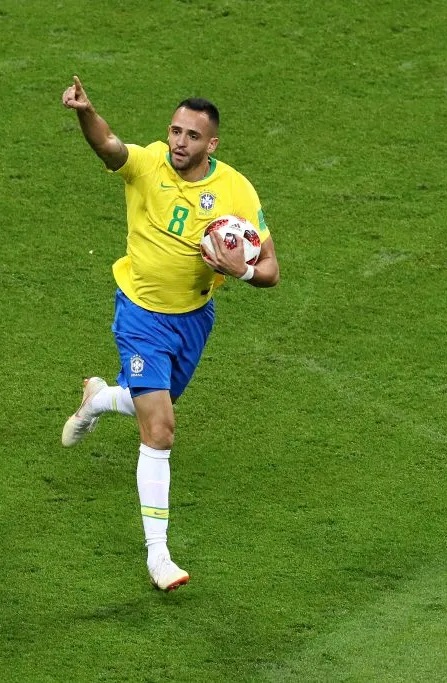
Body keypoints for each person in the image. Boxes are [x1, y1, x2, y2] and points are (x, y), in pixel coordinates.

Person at [59, 75, 281, 591]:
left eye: (191, 136)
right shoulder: (148, 164)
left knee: (151, 404)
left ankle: (96, 399)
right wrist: (84, 113)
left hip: (194, 320)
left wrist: (238, 269)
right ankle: (158, 556)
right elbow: (111, 147)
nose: (180, 142)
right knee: (159, 430)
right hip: (139, 314)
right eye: (175, 131)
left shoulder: (235, 190)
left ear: (212, 144)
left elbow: (271, 268)